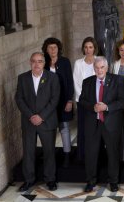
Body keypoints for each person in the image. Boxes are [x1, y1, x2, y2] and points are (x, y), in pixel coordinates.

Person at [79, 56, 124, 193]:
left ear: (107, 68)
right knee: (91, 153)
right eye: (96, 67)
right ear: (93, 68)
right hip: (92, 123)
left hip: (111, 123)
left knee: (112, 153)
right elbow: (82, 100)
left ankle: (113, 181)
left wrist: (106, 107)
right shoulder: (87, 82)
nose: (99, 70)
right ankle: (90, 181)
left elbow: (123, 102)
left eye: (102, 67)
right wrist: (92, 107)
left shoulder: (118, 80)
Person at [15, 52, 60, 192]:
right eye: (34, 61)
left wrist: (41, 116)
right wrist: (31, 116)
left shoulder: (52, 77)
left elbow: (55, 99)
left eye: (39, 61)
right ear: (30, 62)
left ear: (44, 63)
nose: (36, 64)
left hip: (46, 121)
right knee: (28, 152)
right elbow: (19, 99)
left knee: (49, 152)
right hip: (29, 122)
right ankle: (29, 180)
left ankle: (50, 180)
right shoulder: (23, 78)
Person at [42, 37, 74, 168]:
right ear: (46, 49)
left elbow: (69, 82)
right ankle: (50, 155)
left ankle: (67, 154)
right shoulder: (43, 62)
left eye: (55, 47)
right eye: (50, 47)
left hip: (63, 101)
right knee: (49, 129)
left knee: (64, 128)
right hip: (48, 103)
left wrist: (69, 100)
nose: (53, 50)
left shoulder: (65, 62)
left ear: (58, 49)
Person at [73, 37, 97, 160]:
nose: (88, 50)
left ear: (94, 48)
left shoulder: (100, 61)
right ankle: (82, 155)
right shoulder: (78, 63)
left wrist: (96, 101)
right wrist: (86, 101)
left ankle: (96, 155)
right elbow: (76, 83)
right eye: (86, 47)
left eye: (90, 47)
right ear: (83, 48)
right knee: (83, 129)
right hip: (83, 102)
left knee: (96, 131)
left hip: (98, 102)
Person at [92, 0, 120, 67]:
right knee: (103, 50)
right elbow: (98, 16)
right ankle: (103, 69)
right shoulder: (96, 1)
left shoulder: (112, 1)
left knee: (112, 51)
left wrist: (117, 28)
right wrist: (110, 16)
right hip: (102, 30)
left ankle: (110, 70)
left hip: (111, 29)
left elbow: (116, 14)